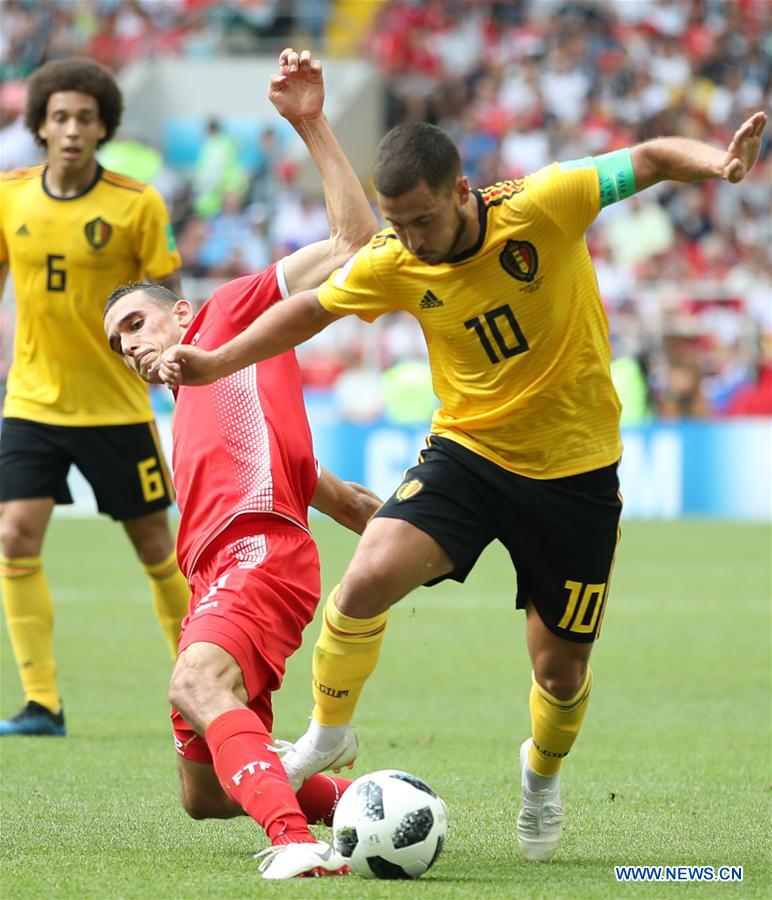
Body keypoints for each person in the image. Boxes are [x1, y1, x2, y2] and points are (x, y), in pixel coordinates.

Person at [157, 109, 768, 863]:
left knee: (560, 672)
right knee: (364, 581)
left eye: (421, 220)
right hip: (468, 454)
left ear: (460, 191)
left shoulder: (546, 202)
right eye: (396, 224)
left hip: (575, 475)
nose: (410, 239)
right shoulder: (393, 258)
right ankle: (326, 733)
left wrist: (717, 163)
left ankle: (541, 774)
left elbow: (647, 158)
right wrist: (215, 362)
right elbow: (310, 311)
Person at [104, 49, 380, 879]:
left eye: (137, 324)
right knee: (204, 794)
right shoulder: (201, 406)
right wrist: (388, 524)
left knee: (194, 684)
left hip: (256, 553)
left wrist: (311, 123)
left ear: (181, 312)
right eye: (117, 343)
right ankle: (367, 804)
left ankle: (299, 846)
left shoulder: (227, 315)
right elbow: (327, 489)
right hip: (226, 571)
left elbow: (355, 243)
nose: (129, 346)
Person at [0, 58, 189, 737]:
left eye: (86, 117)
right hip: (33, 402)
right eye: (60, 117)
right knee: (13, 536)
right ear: (40, 126)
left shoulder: (138, 204)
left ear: (104, 126)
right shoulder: (10, 196)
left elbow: (169, 302)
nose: (73, 129)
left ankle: (203, 688)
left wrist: (171, 362)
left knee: (156, 546)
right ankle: (41, 703)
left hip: (116, 408)